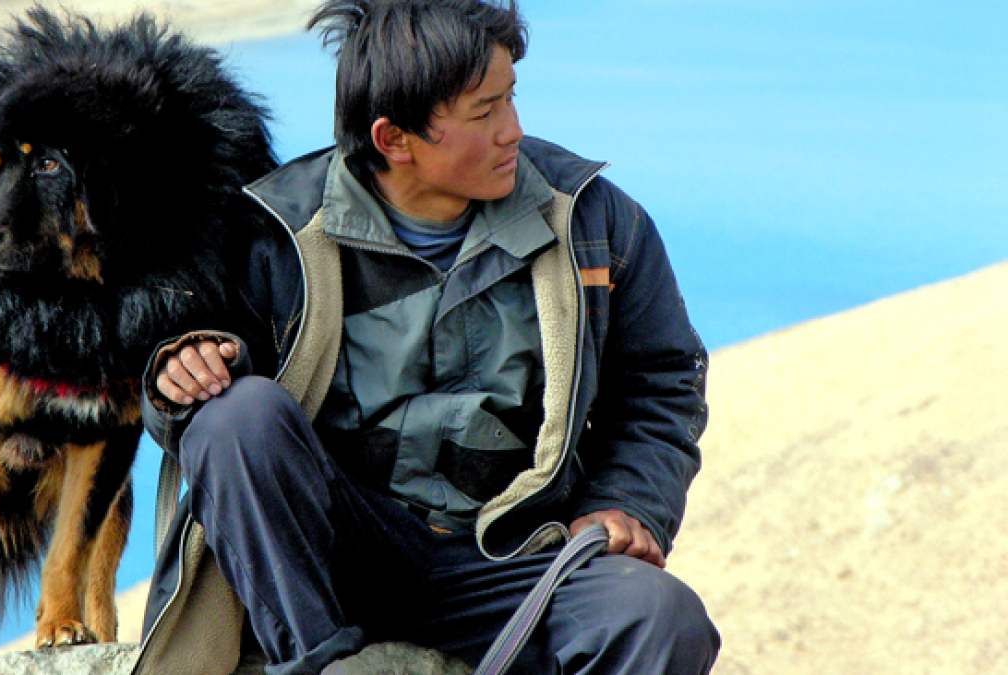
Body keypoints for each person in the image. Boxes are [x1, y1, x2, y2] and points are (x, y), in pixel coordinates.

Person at [133, 1, 719, 673]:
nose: (513, 131)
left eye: (510, 100)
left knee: (663, 617)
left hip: (513, 564)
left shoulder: (590, 219)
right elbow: (208, 424)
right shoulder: (275, 231)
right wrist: (179, 379)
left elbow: (661, 381)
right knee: (235, 415)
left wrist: (628, 500)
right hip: (329, 563)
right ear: (393, 139)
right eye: (483, 112)